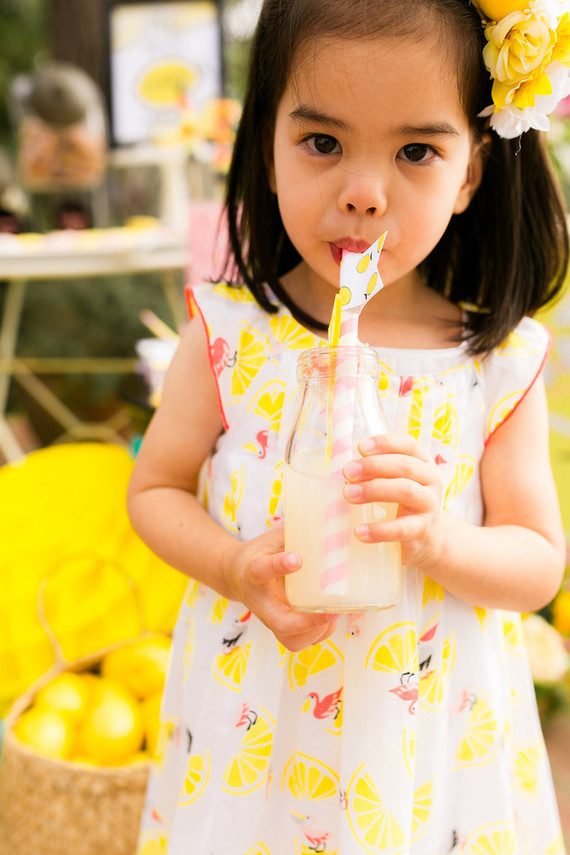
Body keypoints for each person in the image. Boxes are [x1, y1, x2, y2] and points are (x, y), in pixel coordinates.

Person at [127, 0, 570, 851]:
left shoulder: (494, 364)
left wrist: (439, 537)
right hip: (255, 739)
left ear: (470, 174)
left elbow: (537, 563)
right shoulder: (229, 338)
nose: (365, 194)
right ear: (268, 146)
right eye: (323, 142)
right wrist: (231, 561)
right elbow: (153, 488)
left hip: (425, 757)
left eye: (416, 152)